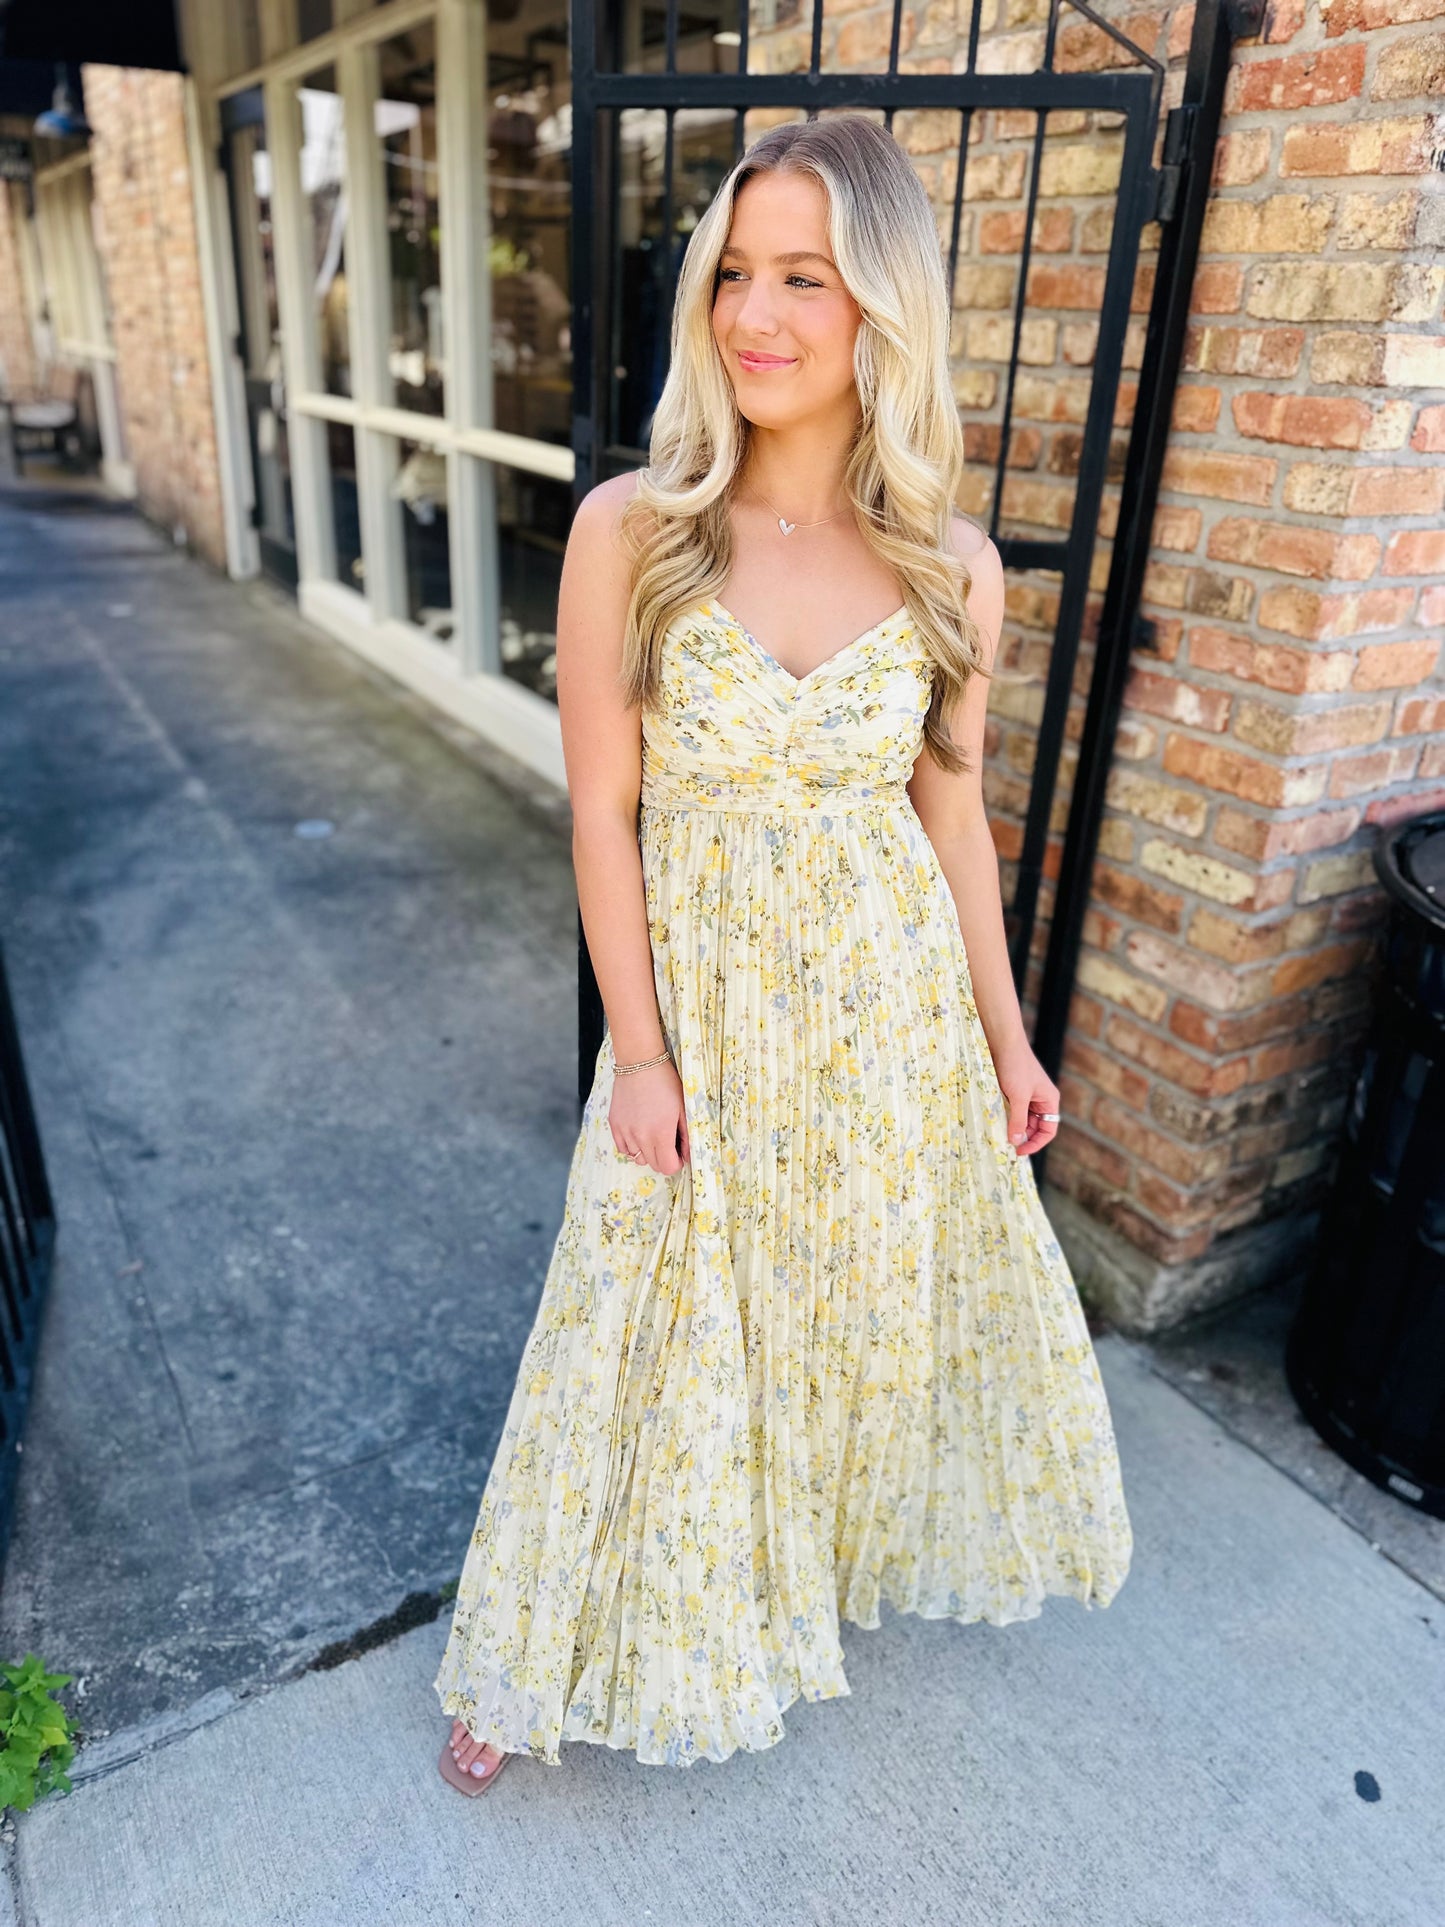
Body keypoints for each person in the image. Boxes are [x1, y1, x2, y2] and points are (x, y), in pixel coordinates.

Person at [434, 112, 1133, 1795]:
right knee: (633, 1315)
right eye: (734, 273)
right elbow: (603, 814)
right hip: (703, 1003)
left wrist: (1006, 1040)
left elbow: (952, 823)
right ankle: (534, 1648)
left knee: (826, 1318)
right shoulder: (633, 529)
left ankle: (773, 1586)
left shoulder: (951, 567)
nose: (753, 313)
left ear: (880, 303)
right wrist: (641, 1053)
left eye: (802, 277)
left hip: (883, 1012)